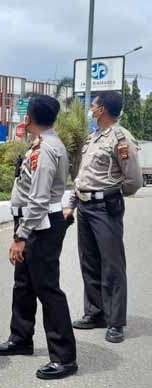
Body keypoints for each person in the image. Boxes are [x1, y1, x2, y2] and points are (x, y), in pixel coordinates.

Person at [0, 95, 78, 380]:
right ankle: (21, 338)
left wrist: (21, 236)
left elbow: (38, 199)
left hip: (41, 225)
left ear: (29, 119)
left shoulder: (46, 149)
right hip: (33, 222)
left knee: (47, 288)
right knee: (24, 283)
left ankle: (64, 357)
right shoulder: (42, 145)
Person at [65, 91, 142, 344]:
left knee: (112, 265)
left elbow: (133, 180)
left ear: (104, 109)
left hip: (105, 208)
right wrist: (74, 202)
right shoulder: (93, 137)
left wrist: (111, 195)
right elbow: (83, 176)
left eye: (95, 105)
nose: (91, 108)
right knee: (89, 262)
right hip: (86, 208)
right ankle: (96, 313)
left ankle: (116, 322)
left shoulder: (121, 138)